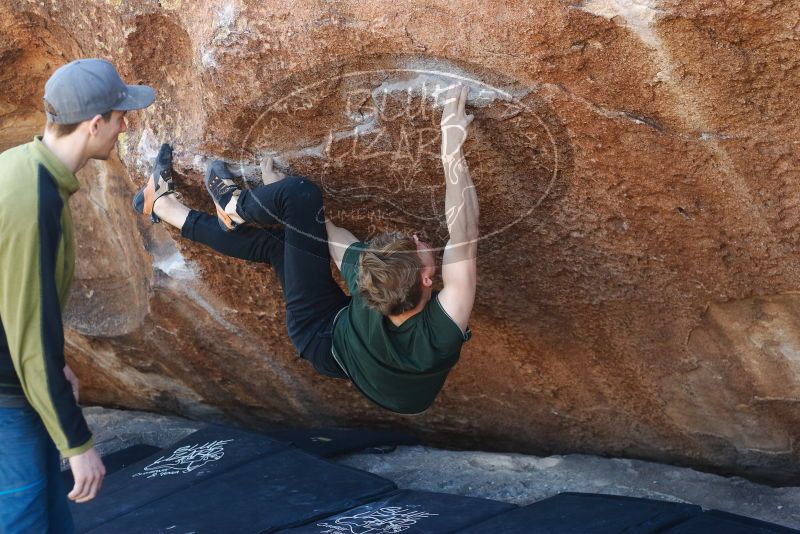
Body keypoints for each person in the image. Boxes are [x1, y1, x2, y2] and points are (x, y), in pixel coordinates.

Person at [133, 84, 477, 414]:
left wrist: (278, 198)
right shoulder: (400, 294)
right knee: (283, 239)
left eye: (415, 247)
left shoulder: (380, 286)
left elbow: (463, 227)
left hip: (321, 336)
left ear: (427, 279)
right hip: (381, 373)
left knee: (297, 198)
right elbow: (463, 229)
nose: (419, 238)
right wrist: (451, 144)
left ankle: (233, 205)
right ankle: (165, 206)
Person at [0, 58, 155, 532]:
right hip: (6, 394)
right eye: (119, 117)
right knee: (24, 516)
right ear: (93, 124)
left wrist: (57, 359)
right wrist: (78, 443)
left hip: (14, 381)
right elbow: (27, 333)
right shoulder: (33, 199)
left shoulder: (25, 165)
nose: (124, 127)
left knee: (46, 513)